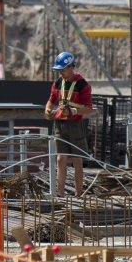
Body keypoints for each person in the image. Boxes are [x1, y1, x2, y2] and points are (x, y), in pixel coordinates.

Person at [44, 51, 93, 197]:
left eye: (63, 70)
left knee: (77, 160)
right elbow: (51, 99)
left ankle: (78, 195)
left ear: (72, 67)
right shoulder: (58, 83)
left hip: (76, 125)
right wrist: (47, 109)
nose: (61, 73)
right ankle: (60, 194)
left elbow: (88, 108)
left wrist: (72, 111)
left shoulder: (83, 85)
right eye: (59, 70)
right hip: (60, 123)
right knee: (60, 159)